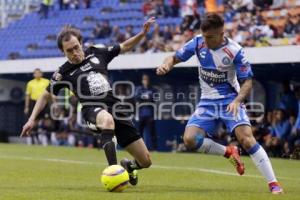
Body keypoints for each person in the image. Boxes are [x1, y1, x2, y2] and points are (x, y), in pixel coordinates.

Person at [156, 13, 283, 194]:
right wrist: (166, 66)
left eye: (210, 37)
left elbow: (247, 81)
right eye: (204, 36)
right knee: (190, 140)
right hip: (207, 102)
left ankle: (274, 184)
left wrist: (238, 100)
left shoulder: (235, 50)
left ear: (221, 33)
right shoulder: (198, 42)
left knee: (246, 139)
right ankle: (229, 152)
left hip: (230, 100)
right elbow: (173, 58)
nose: (205, 41)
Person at [21, 17, 156, 186]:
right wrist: (31, 119)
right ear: (63, 52)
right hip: (92, 110)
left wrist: (142, 34)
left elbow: (125, 46)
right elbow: (45, 95)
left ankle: (129, 166)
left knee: (146, 161)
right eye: (69, 50)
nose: (74, 52)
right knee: (106, 120)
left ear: (81, 43)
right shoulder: (63, 73)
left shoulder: (97, 52)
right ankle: (113, 173)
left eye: (76, 47)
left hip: (116, 108)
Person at [24, 68, 50, 145]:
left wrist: (54, 103)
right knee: (33, 122)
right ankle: (32, 138)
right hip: (33, 102)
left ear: (41, 74)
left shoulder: (46, 81)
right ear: (33, 74)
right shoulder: (30, 83)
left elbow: (50, 93)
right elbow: (27, 96)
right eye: (36, 73)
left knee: (47, 122)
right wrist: (26, 107)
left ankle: (44, 138)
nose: (37, 74)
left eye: (39, 73)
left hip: (44, 103)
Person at [135, 74, 157, 150]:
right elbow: (137, 98)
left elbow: (153, 99)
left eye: (146, 80)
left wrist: (145, 98)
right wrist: (145, 97)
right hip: (141, 114)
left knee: (152, 132)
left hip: (150, 114)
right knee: (140, 132)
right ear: (142, 81)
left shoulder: (152, 89)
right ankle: (141, 148)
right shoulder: (139, 89)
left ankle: (154, 148)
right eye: (144, 80)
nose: (145, 81)